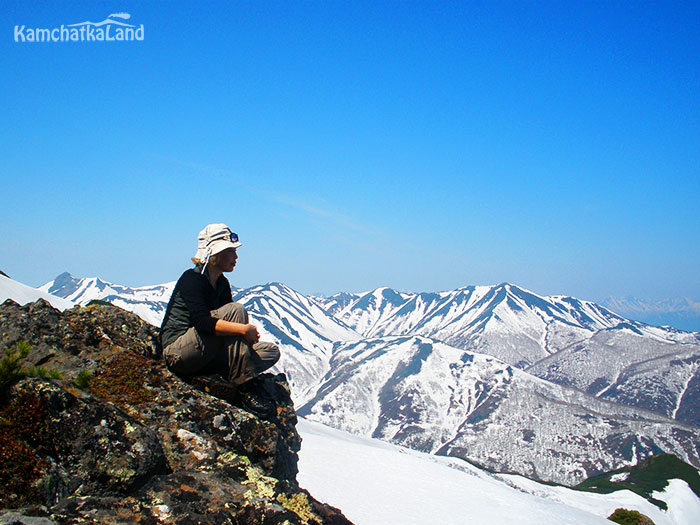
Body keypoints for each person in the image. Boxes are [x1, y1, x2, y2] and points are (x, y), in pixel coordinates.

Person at [159, 224, 280, 408]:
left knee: (270, 351)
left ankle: (216, 379)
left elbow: (223, 328)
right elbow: (202, 322)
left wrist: (242, 337)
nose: (236, 257)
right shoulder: (192, 279)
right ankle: (244, 388)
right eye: (231, 251)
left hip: (204, 350)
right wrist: (243, 330)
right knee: (236, 310)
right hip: (177, 351)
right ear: (216, 254)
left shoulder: (222, 283)